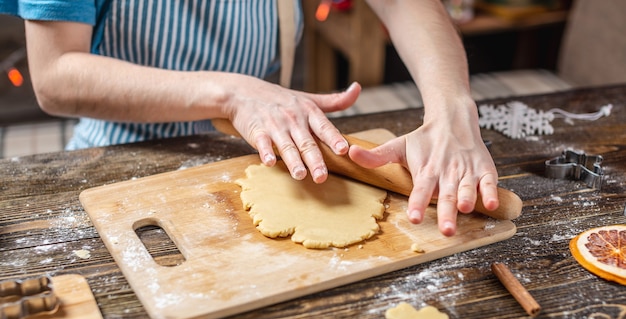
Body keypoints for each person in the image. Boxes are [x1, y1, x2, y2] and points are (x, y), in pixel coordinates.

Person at [1, 0, 499, 236]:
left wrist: (452, 103)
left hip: (269, 154)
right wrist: (230, 94)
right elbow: (55, 74)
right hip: (121, 158)